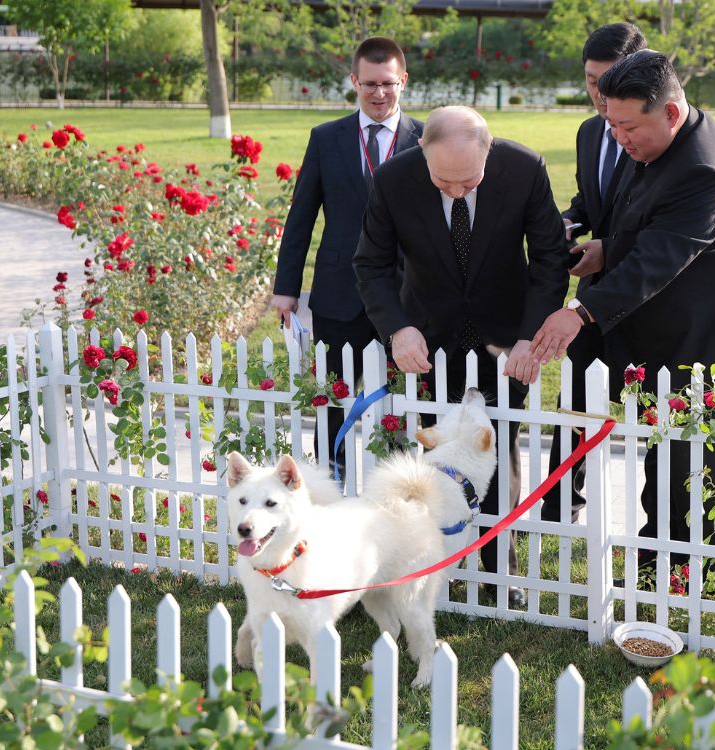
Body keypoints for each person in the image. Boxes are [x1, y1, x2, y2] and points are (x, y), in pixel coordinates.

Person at [530, 50, 715, 571]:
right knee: (664, 464)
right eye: (610, 124)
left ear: (668, 112)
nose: (618, 138)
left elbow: (659, 260)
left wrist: (578, 312)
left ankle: (696, 580)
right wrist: (603, 250)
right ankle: (655, 568)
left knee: (696, 476)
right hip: (669, 330)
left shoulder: (704, 170)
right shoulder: (652, 143)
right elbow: (639, 228)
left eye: (626, 127)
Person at [353, 106, 567, 608]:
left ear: (488, 154)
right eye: (443, 181)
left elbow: (550, 258)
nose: (456, 191)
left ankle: (500, 578)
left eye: (468, 181)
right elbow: (371, 263)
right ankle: (434, 567)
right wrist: (398, 329)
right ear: (421, 152)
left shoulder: (524, 169)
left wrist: (529, 337)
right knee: (438, 458)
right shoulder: (393, 179)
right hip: (428, 341)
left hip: (505, 343)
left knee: (499, 448)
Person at [271, 36, 423, 476]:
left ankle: (395, 487)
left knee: (400, 401)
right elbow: (301, 216)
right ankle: (332, 483)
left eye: (389, 83)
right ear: (354, 81)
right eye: (370, 83)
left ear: (403, 81)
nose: (379, 93)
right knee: (330, 401)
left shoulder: (426, 136)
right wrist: (285, 289)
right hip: (339, 295)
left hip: (404, 295)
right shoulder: (327, 138)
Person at [541, 22, 647, 526]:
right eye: (590, 81)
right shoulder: (588, 132)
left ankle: (658, 523)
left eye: (610, 81)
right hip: (592, 291)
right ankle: (562, 505)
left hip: (649, 294)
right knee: (575, 403)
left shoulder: (653, 136)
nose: (600, 96)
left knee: (652, 414)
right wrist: (567, 222)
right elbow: (592, 201)